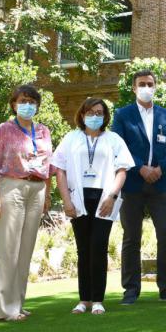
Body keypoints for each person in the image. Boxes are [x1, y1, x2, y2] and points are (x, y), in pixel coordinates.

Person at [112, 69, 166, 304]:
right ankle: (131, 290)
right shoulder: (123, 115)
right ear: (134, 88)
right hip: (132, 184)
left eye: (150, 84)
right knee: (131, 237)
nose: (146, 87)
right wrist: (140, 167)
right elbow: (118, 145)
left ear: (156, 87)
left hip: (160, 184)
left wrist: (159, 169)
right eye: (142, 84)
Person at [53, 97, 134, 315]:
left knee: (98, 248)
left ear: (105, 116)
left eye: (99, 113)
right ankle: (84, 300)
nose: (95, 116)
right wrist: (66, 201)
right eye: (90, 112)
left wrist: (112, 196)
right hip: (77, 198)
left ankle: (98, 299)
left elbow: (122, 170)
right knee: (83, 250)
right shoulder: (71, 138)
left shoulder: (113, 139)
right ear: (81, 114)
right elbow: (59, 169)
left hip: (104, 199)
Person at [0, 85, 53, 321]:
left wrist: (48, 193)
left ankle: (18, 303)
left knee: (25, 250)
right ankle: (4, 309)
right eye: (23, 100)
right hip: (11, 186)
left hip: (37, 189)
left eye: (33, 101)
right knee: (7, 249)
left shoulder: (44, 131)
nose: (28, 105)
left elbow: (48, 166)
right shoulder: (3, 130)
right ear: (14, 104)